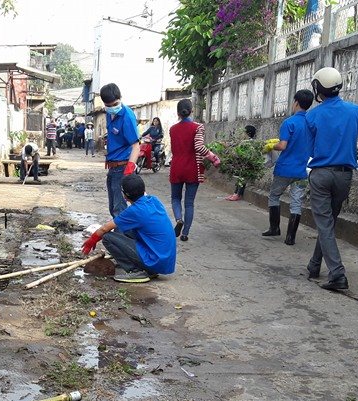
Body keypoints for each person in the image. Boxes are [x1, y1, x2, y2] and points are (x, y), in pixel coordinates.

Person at [305, 67, 358, 290]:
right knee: (328, 222)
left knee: (325, 223)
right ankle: (314, 264)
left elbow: (309, 148)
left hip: (320, 174)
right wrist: (356, 147)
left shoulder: (312, 115)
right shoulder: (355, 111)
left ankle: (337, 274)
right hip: (344, 176)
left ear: (318, 88)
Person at [82, 174, 177, 283]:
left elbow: (104, 229)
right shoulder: (154, 200)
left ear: (125, 196)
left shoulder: (135, 211)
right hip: (164, 261)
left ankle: (135, 271)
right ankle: (148, 269)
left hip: (155, 261)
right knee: (125, 229)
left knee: (108, 237)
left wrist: (92, 240)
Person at [263, 89, 314, 245]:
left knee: (274, 195)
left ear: (296, 102)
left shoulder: (289, 122)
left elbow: (283, 145)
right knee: (296, 202)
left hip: (285, 169)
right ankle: (290, 237)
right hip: (303, 170)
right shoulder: (312, 123)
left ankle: (274, 228)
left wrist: (271, 146)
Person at [168, 99, 220, 242]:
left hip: (176, 167)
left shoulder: (172, 129)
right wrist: (213, 157)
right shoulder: (197, 127)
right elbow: (199, 147)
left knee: (175, 198)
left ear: (178, 113)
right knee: (189, 202)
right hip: (192, 168)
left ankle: (179, 219)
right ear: (191, 111)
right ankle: (185, 233)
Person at [99, 83, 141, 218]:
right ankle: (121, 236)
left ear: (120, 98)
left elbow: (136, 146)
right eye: (108, 105)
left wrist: (129, 171)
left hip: (123, 166)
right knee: (113, 208)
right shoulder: (108, 114)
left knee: (119, 209)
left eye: (114, 104)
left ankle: (122, 237)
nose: (112, 108)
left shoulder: (127, 116)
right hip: (112, 166)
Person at [225, 125, 259, 201]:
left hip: (247, 163)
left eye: (244, 132)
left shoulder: (249, 142)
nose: (242, 134)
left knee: (242, 179)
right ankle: (235, 193)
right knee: (240, 179)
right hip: (243, 163)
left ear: (248, 133)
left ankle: (238, 194)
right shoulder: (245, 141)